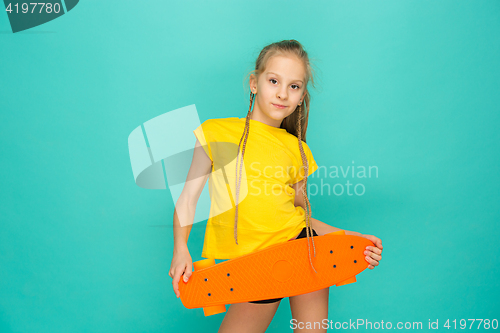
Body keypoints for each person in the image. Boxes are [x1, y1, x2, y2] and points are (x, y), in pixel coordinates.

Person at [169, 39, 383, 333]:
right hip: (253, 265)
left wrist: (353, 239)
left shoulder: (298, 150)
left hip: (303, 250)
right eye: (273, 81)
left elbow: (300, 219)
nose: (283, 93)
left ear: (302, 95)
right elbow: (188, 199)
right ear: (254, 83)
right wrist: (180, 249)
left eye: (294, 86)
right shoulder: (214, 133)